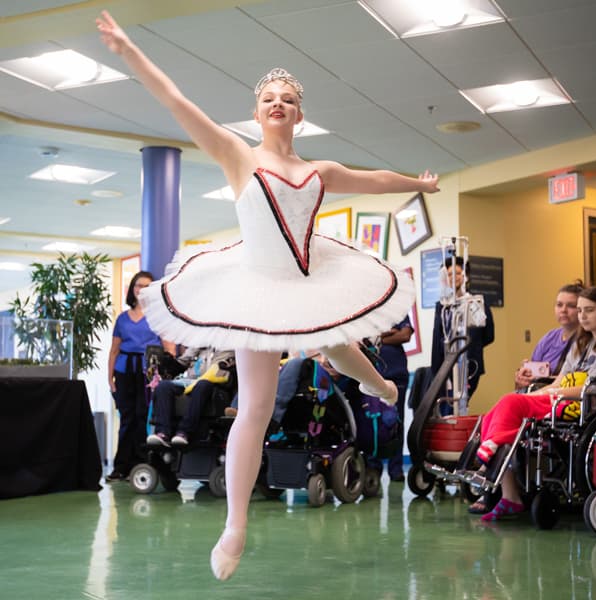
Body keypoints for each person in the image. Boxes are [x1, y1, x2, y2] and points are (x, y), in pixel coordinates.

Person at [97, 11, 438, 580]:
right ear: (257, 112)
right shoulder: (239, 156)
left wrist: (418, 184)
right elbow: (178, 102)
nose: (277, 104)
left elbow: (372, 178)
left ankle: (378, 384)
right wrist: (130, 51)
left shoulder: (319, 169)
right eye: (268, 98)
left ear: (300, 115)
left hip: (304, 276)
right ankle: (235, 525)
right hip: (255, 286)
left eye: (286, 99)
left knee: (332, 335)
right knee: (255, 406)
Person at [474, 287, 596, 521]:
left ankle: (491, 458)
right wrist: (534, 396)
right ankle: (506, 488)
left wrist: (551, 394)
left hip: (585, 406)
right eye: (580, 311)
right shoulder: (582, 344)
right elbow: (559, 380)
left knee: (510, 404)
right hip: (562, 399)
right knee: (503, 405)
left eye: (589, 310)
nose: (582, 316)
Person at [106, 271, 172, 482]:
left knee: (142, 416)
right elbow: (114, 350)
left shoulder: (157, 317)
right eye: (138, 285)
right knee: (127, 418)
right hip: (124, 371)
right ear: (132, 289)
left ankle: (142, 463)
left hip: (148, 373)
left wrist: (168, 370)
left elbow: (169, 348)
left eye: (146, 286)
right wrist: (110, 378)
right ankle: (121, 467)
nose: (141, 289)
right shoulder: (122, 319)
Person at [431, 256, 495, 407]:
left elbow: (488, 335)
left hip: (470, 364)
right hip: (446, 366)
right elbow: (437, 339)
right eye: (450, 274)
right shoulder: (442, 306)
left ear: (466, 276)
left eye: (458, 273)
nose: (454, 277)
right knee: (448, 408)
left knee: (462, 405)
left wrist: (470, 347)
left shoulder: (476, 303)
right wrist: (437, 372)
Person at [147, 350, 236, 447]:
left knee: (202, 385)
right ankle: (162, 433)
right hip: (189, 380)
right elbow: (181, 363)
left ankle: (184, 432)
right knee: (163, 386)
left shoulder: (231, 347)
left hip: (214, 382)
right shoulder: (200, 344)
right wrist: (167, 360)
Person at [513, 281, 583, 392]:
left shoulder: (586, 342)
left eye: (571, 306)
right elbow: (532, 374)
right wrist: (522, 377)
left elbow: (578, 380)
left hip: (559, 397)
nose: (563, 310)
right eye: (559, 305)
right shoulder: (549, 338)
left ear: (581, 309)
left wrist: (542, 379)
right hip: (535, 391)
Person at [370, 317, 413, 482]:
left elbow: (404, 336)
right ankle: (373, 467)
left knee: (397, 421)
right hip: (374, 374)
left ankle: (396, 469)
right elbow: (366, 340)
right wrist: (389, 333)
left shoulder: (398, 311)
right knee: (373, 420)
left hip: (396, 374)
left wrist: (379, 337)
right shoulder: (370, 311)